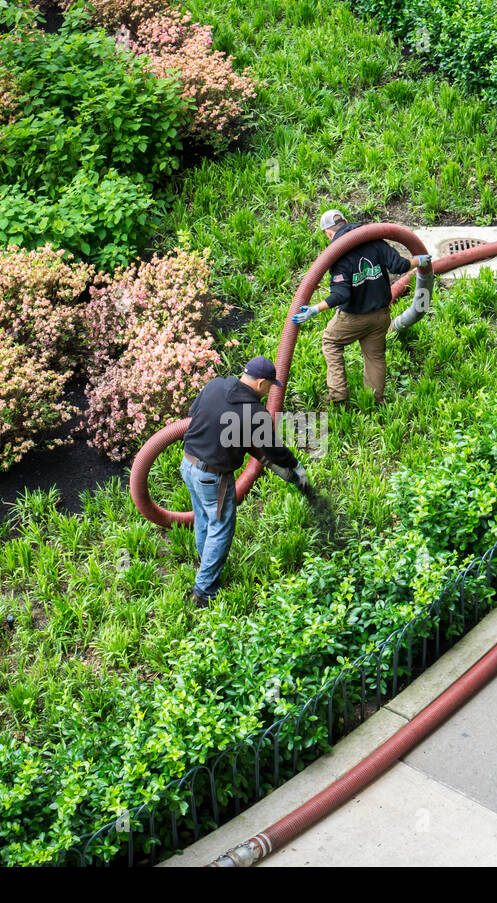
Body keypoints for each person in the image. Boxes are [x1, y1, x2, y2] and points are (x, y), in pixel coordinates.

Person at [179, 357, 308, 607]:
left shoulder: (215, 385)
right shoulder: (254, 412)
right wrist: (295, 467)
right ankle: (204, 591)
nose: (270, 389)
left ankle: (206, 566)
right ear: (260, 383)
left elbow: (192, 413)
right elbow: (273, 450)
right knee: (220, 528)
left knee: (204, 519)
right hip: (213, 476)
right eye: (270, 385)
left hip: (188, 463)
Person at [293, 209, 432, 406]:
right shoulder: (373, 240)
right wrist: (419, 261)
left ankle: (338, 393)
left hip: (353, 318)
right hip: (381, 315)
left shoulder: (339, 255)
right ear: (347, 221)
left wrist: (315, 309)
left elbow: (341, 295)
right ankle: (375, 400)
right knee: (375, 356)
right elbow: (399, 266)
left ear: (328, 234)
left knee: (331, 342)